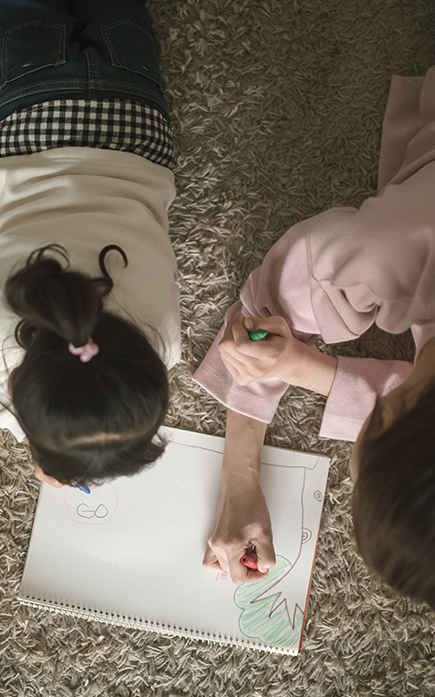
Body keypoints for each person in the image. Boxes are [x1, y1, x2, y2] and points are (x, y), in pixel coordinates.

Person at [193, 65, 435, 609]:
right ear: (383, 415)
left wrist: (302, 367)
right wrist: (238, 469)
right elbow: (263, 310)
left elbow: (409, 389)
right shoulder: (379, 252)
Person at [0, 0, 181, 490]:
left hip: (134, 123)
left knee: (122, 13)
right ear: (20, 383)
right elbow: (7, 394)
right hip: (25, 126)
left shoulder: (164, 337)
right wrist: (32, 440)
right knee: (26, 13)